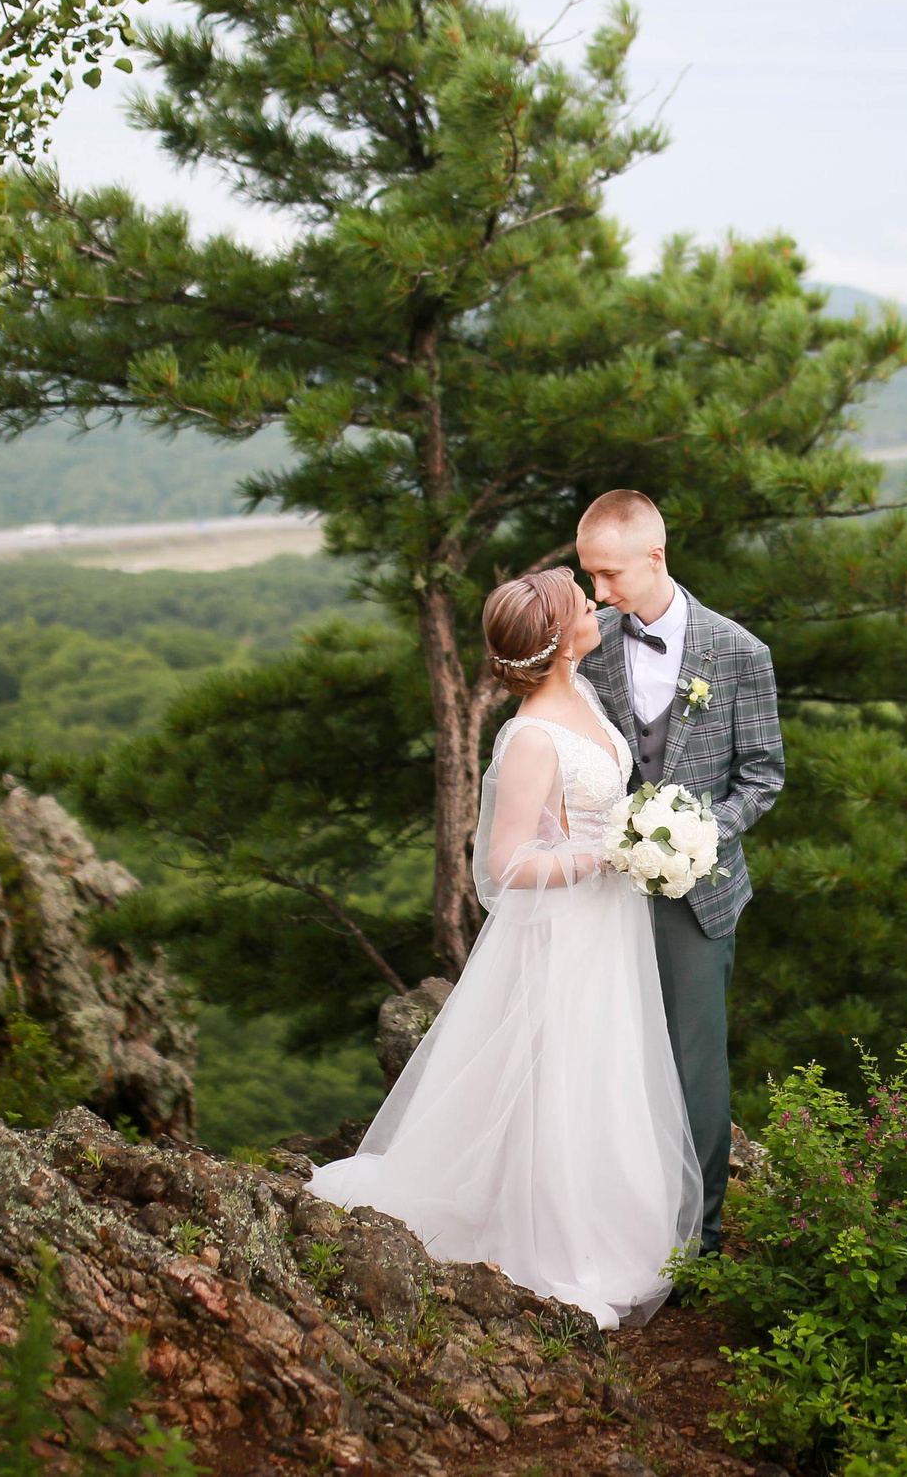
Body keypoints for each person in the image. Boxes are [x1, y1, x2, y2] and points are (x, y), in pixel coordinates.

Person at [307, 569, 701, 1329]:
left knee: (607, 1066)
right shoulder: (529, 738)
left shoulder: (582, 694)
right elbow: (504, 865)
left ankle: (611, 1215)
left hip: (609, 925)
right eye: (581, 603)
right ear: (558, 640)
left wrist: (647, 836)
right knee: (560, 1074)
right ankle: (554, 1238)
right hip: (565, 933)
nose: (595, 605)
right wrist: (602, 854)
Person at [575, 489, 785, 1257]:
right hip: (602, 889)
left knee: (695, 1062)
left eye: (609, 573)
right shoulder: (589, 643)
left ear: (655, 556)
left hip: (700, 894)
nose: (599, 591)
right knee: (608, 1052)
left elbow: (762, 776)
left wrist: (696, 835)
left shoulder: (738, 652)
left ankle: (700, 1236)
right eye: (589, 574)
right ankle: (614, 1218)